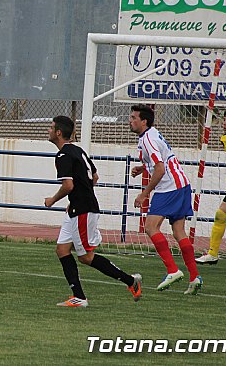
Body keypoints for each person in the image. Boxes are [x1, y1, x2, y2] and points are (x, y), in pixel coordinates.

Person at [44, 116, 142, 307]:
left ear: (58, 133)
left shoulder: (63, 155)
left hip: (82, 210)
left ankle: (130, 281)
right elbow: (94, 177)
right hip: (78, 208)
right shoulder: (78, 151)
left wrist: (52, 200)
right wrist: (80, 196)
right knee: (62, 250)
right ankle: (78, 296)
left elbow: (68, 185)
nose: (48, 130)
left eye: (50, 128)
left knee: (86, 257)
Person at [129, 104, 203, 295]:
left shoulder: (147, 140)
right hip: (182, 184)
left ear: (144, 121)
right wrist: (144, 167)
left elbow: (160, 169)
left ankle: (172, 270)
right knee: (179, 231)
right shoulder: (152, 134)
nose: (130, 121)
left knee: (150, 227)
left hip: (169, 187)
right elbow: (160, 162)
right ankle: (194, 277)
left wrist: (144, 193)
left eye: (133, 117)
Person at [196, 107, 226, 266]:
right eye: (224, 120)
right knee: (220, 214)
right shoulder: (225, 139)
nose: (224, 123)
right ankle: (212, 254)